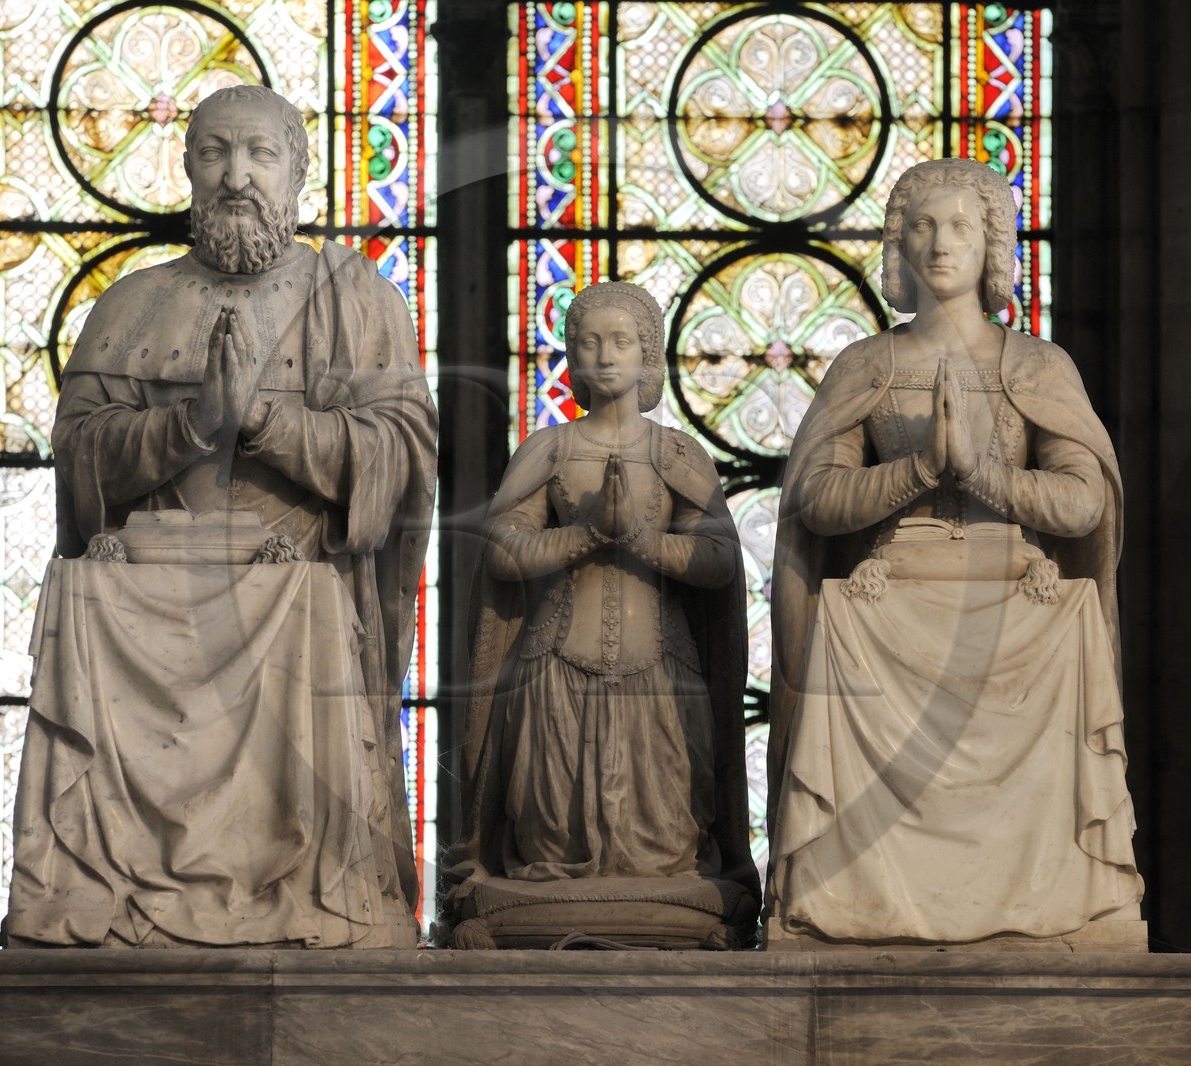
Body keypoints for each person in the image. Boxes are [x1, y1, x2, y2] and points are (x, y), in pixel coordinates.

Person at [8, 85, 437, 948]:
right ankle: (104, 893)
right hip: (145, 612)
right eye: (215, 153)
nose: (237, 176)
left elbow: (401, 459)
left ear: (299, 173)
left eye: (260, 154)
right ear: (187, 167)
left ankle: (309, 895)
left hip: (295, 601)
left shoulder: (358, 301)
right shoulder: (131, 305)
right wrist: (192, 424)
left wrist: (266, 421)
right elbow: (80, 456)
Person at [765, 158, 1142, 944]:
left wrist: (983, 474)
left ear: (991, 244)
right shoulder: (866, 365)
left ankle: (1058, 902)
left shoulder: (1037, 366)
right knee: (844, 626)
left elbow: (1084, 502)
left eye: (961, 227)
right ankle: (851, 906)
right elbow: (815, 500)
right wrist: (920, 470)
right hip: (887, 608)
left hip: (1020, 610)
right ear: (899, 245)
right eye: (923, 226)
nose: (941, 244)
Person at [443, 282, 757, 947]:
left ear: (649, 356)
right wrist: (585, 535)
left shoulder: (677, 454)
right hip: (555, 666)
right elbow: (501, 550)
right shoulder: (550, 450)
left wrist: (641, 540)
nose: (606, 356)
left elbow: (720, 561)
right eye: (589, 343)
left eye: (621, 342)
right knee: (550, 824)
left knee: (667, 834)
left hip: (660, 670)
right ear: (572, 358)